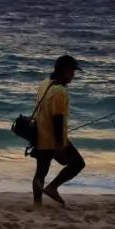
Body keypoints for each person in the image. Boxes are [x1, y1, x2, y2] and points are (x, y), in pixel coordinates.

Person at [32, 54, 86, 207]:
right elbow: (57, 119)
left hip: (39, 135)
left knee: (40, 172)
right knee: (78, 164)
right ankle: (52, 187)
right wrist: (59, 144)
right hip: (53, 139)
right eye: (72, 71)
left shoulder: (45, 83)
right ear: (64, 70)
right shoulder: (60, 92)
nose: (73, 75)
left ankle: (37, 204)